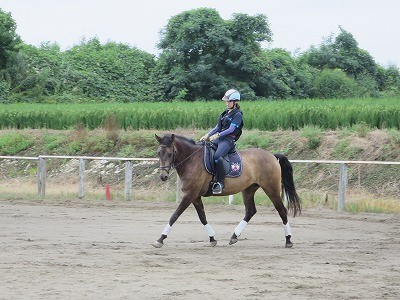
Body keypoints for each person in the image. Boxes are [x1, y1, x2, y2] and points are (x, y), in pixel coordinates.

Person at [200, 89, 243, 194]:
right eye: (226, 101)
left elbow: (231, 130)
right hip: (220, 139)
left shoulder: (238, 115)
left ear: (235, 102)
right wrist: (207, 135)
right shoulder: (224, 113)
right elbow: (217, 127)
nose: (226, 103)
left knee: (217, 157)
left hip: (228, 140)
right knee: (205, 149)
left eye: (228, 101)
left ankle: (220, 182)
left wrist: (217, 135)